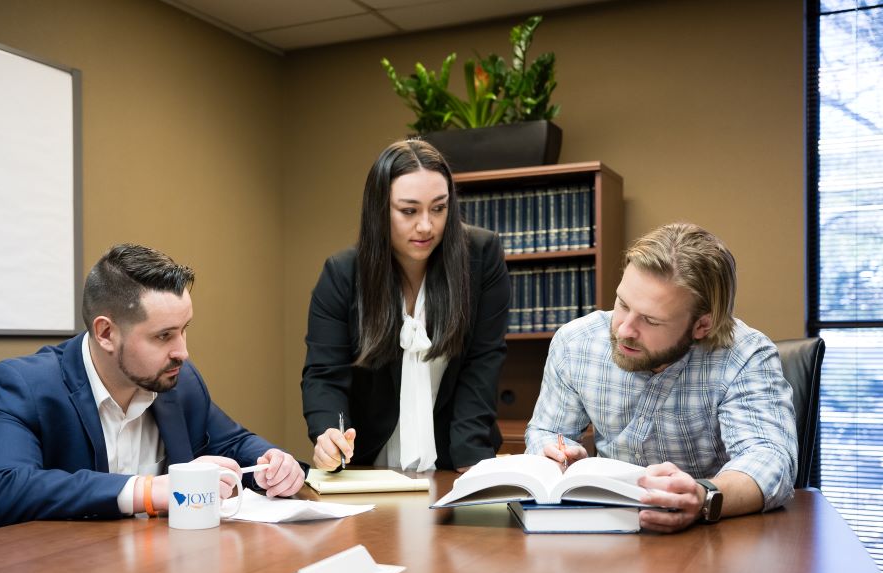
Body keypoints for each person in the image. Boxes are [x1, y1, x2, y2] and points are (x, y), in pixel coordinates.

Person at [0, 244, 305, 527]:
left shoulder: (179, 380)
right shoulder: (23, 385)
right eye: (163, 336)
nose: (183, 352)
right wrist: (149, 491)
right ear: (105, 333)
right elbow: (1, 488)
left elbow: (233, 442)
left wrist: (272, 463)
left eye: (183, 329)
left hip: (158, 571)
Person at [525, 223, 797, 533]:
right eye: (623, 304)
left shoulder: (745, 355)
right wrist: (554, 452)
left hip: (709, 538)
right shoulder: (577, 343)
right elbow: (547, 430)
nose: (624, 329)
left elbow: (770, 461)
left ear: (701, 326)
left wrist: (702, 495)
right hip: (607, 531)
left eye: (651, 320)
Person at [301, 139, 510, 472]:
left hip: (453, 459)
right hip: (370, 466)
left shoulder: (480, 258)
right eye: (409, 211)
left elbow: (482, 362)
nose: (426, 225)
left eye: (439, 208)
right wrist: (331, 435)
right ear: (380, 210)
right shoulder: (342, 274)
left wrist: (470, 456)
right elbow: (324, 375)